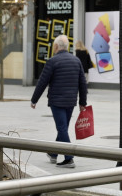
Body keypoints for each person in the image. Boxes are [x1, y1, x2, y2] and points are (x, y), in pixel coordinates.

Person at [30, 35, 88, 168]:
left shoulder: (52, 61)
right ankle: (53, 153)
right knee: (63, 128)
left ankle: (69, 159)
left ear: (56, 46)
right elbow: (82, 84)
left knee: (62, 128)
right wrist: (82, 102)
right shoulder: (76, 61)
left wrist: (34, 100)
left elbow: (42, 82)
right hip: (71, 102)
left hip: (57, 102)